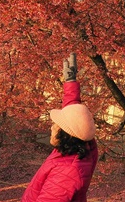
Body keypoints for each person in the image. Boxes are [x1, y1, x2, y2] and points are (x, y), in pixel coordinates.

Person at [22, 54, 98, 202]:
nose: (51, 128)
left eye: (56, 126)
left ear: (65, 135)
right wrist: (70, 82)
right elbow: (75, 116)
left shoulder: (67, 173)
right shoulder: (83, 145)